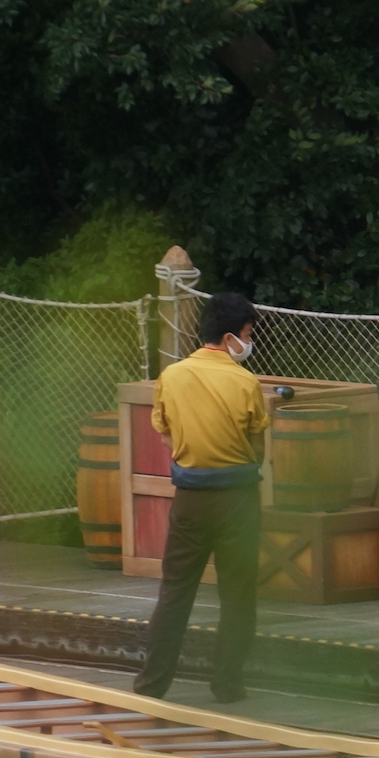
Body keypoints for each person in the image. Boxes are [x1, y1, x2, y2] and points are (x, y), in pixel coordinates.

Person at [134, 292, 268, 702]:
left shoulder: (171, 377)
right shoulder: (245, 381)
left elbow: (164, 432)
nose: (249, 343)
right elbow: (257, 444)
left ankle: (152, 684)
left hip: (190, 496)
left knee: (176, 591)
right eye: (247, 335)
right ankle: (227, 684)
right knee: (238, 593)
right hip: (237, 500)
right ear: (230, 337)